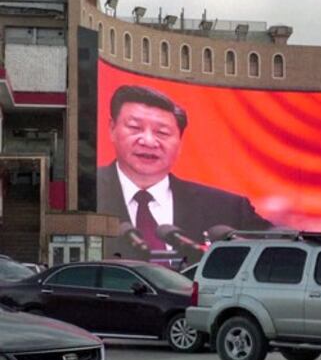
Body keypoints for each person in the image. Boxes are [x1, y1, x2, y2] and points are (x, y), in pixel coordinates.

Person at [98, 85, 271, 252]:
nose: (149, 141)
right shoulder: (84, 191)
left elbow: (284, 248)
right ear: (112, 129)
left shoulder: (227, 208)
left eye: (162, 133)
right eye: (135, 128)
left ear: (180, 143)